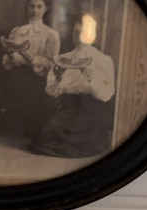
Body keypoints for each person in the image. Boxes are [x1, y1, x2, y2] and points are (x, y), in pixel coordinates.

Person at [32, 16, 115, 158]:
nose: (79, 36)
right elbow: (51, 91)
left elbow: (106, 95)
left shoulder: (104, 60)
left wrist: (89, 77)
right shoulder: (62, 59)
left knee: (85, 143)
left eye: (84, 32)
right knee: (42, 137)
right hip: (68, 109)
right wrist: (58, 78)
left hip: (91, 110)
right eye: (76, 32)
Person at [0, 0, 60, 139]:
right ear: (26, 8)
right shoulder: (17, 31)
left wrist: (27, 56)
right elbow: (9, 62)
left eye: (39, 6)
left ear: (46, 9)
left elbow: (50, 62)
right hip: (18, 77)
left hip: (38, 80)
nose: (35, 10)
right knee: (14, 124)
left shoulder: (51, 34)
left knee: (34, 124)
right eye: (31, 6)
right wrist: (9, 53)